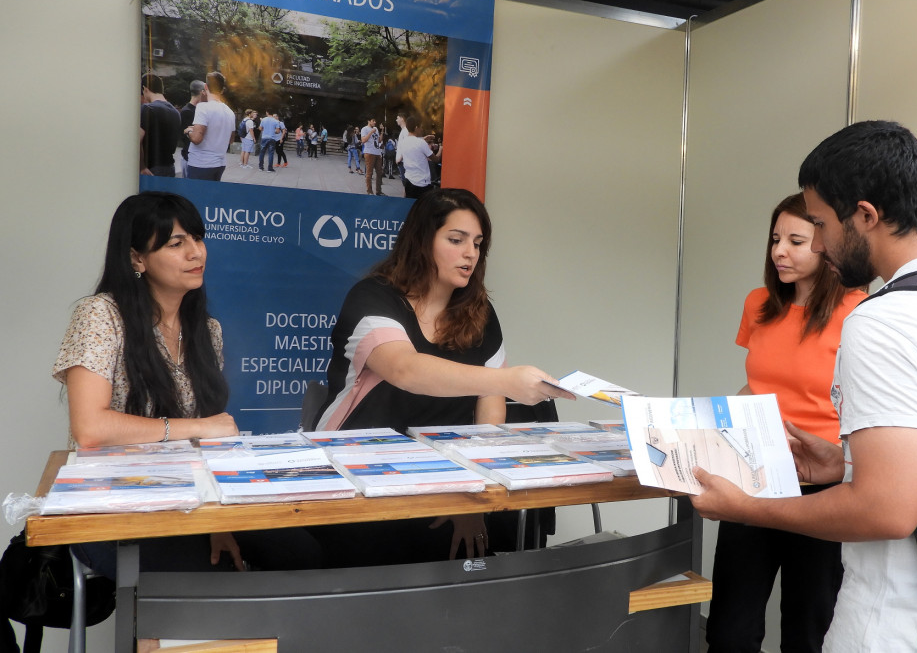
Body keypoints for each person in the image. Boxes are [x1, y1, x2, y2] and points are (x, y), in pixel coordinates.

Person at [691, 121, 917, 652]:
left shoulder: (881, 322)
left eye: (820, 225)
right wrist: (843, 462)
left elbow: (886, 509)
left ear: (865, 216)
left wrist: (746, 508)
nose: (821, 245)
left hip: (915, 628)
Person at [52, 192, 322, 579]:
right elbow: (90, 429)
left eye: (197, 238)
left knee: (302, 553)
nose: (196, 253)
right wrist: (197, 427)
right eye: (176, 244)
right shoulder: (100, 314)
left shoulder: (206, 330)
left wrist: (219, 523)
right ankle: (156, 640)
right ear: (136, 258)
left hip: (192, 501)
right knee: (209, 579)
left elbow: (206, 448)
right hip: (113, 506)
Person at [312, 188, 574, 565]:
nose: (471, 253)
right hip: (357, 475)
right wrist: (505, 379)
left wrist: (473, 497)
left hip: (442, 481)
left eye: (478, 243)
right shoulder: (373, 298)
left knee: (462, 557)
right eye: (456, 240)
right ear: (422, 242)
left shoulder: (479, 312)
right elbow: (406, 369)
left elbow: (489, 412)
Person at [707, 193, 864, 653]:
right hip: (754, 477)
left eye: (796, 240)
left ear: (826, 244)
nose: (780, 251)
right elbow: (756, 388)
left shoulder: (858, 311)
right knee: (729, 629)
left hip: (823, 486)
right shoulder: (759, 303)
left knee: (808, 628)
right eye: (776, 239)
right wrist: (707, 424)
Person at [183, 71, 235, 181]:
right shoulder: (230, 112)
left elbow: (197, 139)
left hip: (201, 164)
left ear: (205, 87)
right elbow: (231, 140)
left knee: (194, 197)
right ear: (222, 89)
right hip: (220, 164)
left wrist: (188, 131)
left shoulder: (203, 107)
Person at [139, 73, 181, 178]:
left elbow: (137, 140)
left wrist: (142, 167)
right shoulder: (175, 112)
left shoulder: (147, 109)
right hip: (169, 167)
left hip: (151, 169)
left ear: (145, 88)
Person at [399, 114, 438, 199]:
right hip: (422, 183)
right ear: (416, 127)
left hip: (409, 181)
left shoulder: (404, 141)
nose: (422, 129)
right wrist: (441, 149)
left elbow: (414, 142)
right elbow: (435, 159)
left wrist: (424, 139)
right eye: (421, 127)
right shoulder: (421, 143)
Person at [177, 79, 206, 179]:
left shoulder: (200, 110)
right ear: (202, 92)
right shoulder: (187, 111)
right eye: (206, 91)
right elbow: (184, 137)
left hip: (197, 159)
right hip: (189, 159)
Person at [361, 116, 384, 195]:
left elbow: (379, 140)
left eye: (375, 121)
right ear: (369, 121)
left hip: (377, 153)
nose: (375, 122)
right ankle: (369, 191)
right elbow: (363, 140)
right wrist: (371, 132)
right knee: (369, 173)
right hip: (369, 153)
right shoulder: (364, 129)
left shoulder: (376, 129)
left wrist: (382, 131)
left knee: (380, 172)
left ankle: (379, 191)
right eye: (373, 121)